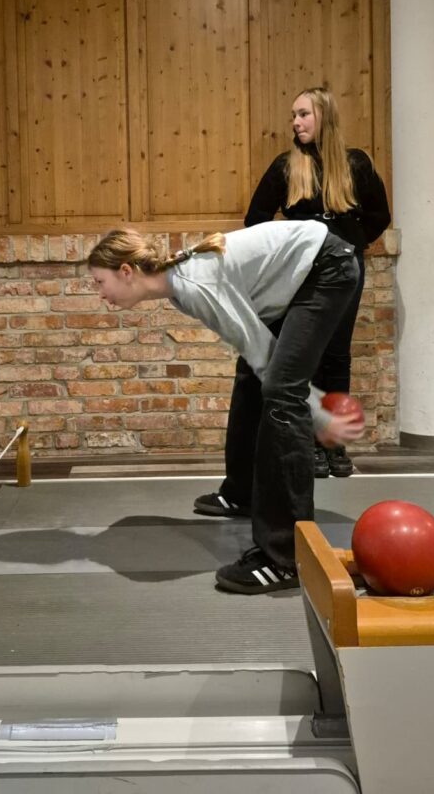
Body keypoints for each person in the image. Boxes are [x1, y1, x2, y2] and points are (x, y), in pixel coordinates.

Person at [87, 221, 364, 594]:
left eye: (100, 282)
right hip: (310, 267)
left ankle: (285, 559)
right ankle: (242, 493)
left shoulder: (194, 285)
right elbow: (255, 346)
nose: (100, 294)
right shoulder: (178, 285)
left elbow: (264, 355)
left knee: (281, 392)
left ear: (126, 271)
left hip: (326, 267)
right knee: (253, 373)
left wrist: (321, 418)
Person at [197, 87, 390, 513]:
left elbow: (380, 217)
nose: (296, 123)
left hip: (341, 270)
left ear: (325, 116)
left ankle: (333, 446)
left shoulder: (356, 164)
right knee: (299, 360)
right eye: (293, 116)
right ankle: (306, 446)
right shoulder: (286, 166)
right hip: (295, 274)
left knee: (337, 356)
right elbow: (255, 220)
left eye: (304, 114)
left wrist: (350, 242)